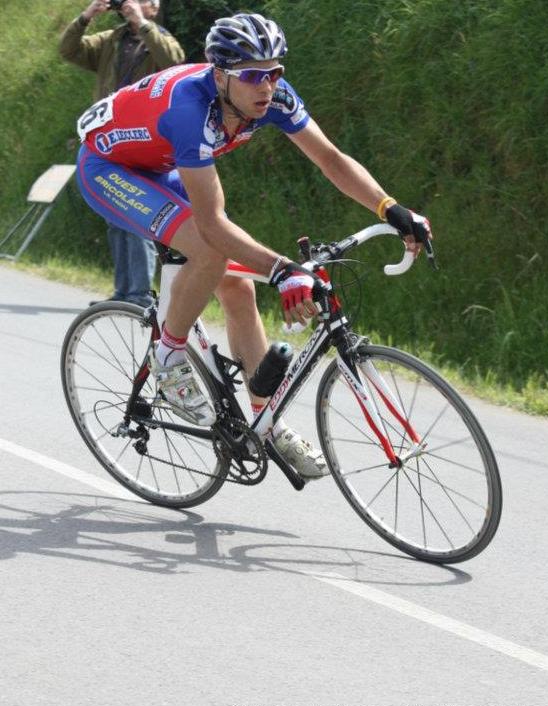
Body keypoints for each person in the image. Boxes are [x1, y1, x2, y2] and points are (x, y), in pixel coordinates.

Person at [74, 12, 432, 480]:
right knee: (211, 250)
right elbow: (213, 225)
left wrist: (390, 208)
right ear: (220, 74)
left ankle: (266, 424)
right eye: (254, 76)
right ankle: (168, 356)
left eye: (275, 71)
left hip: (162, 165)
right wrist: (283, 269)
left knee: (239, 290)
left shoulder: (273, 96)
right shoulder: (190, 110)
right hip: (109, 169)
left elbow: (330, 158)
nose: (267, 85)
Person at [60, 0, 185, 307]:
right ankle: (123, 293)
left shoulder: (160, 38)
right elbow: (68, 50)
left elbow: (174, 62)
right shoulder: (112, 41)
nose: (140, 4)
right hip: (110, 138)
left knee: (139, 213)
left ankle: (140, 295)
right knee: (115, 216)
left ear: (155, 10)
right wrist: (87, 16)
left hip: (143, 139)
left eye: (149, 2)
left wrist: (142, 23)